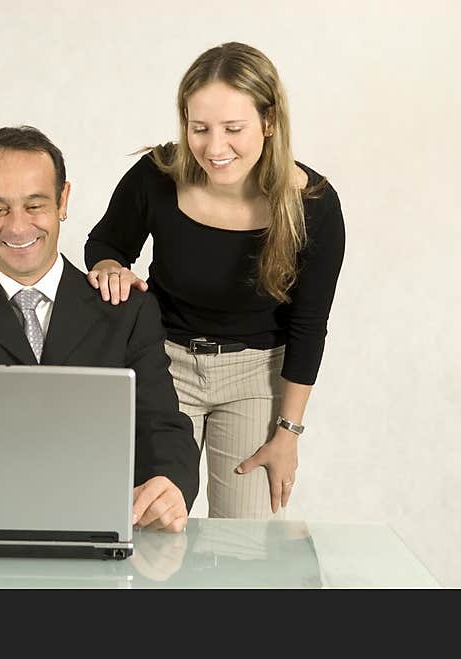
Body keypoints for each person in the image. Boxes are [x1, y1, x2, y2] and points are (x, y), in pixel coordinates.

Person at [0, 126, 200, 532]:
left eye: (34, 205)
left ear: (63, 200)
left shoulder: (126, 311)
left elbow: (163, 427)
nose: (18, 228)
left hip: (99, 537)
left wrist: (171, 484)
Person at [85, 42, 345, 519]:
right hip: (160, 364)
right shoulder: (156, 176)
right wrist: (107, 268)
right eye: (199, 129)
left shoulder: (315, 206)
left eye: (233, 129)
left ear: (268, 122)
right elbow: (106, 244)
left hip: (255, 375)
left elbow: (309, 327)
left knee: (244, 546)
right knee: (149, 524)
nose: (214, 147)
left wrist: (287, 434)